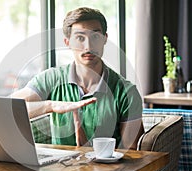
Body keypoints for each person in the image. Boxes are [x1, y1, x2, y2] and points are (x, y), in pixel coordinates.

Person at [12, 7, 144, 150]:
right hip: (57, 170)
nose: (88, 46)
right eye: (80, 38)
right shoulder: (51, 79)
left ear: (105, 39)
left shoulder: (127, 92)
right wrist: (50, 106)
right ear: (67, 42)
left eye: (95, 37)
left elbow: (132, 154)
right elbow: (7, 108)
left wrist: (92, 155)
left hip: (106, 170)